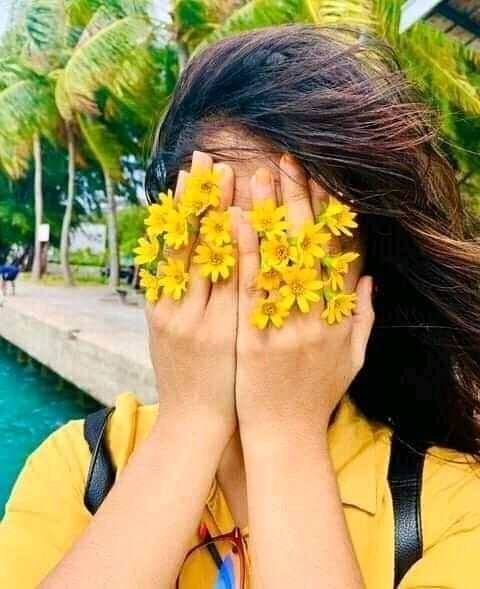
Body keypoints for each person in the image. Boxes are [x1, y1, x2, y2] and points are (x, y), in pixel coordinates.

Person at [1, 25, 480, 589]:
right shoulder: (82, 467)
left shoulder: (451, 503)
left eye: (289, 253)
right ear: (166, 260)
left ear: (364, 291)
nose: (252, 289)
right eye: (220, 248)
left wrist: (285, 432)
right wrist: (189, 423)